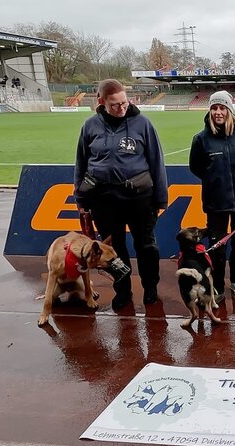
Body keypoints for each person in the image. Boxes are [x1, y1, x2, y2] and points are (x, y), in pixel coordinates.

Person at [74, 79, 168, 309]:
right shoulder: (90, 126)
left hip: (139, 198)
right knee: (113, 250)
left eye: (124, 103)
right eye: (115, 104)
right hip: (103, 199)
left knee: (146, 246)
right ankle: (123, 290)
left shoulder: (143, 124)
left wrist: (160, 198)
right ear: (101, 101)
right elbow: (81, 163)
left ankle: (150, 288)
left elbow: (157, 162)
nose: (121, 108)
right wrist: (81, 199)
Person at [189, 90, 235, 297]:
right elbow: (196, 167)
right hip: (217, 202)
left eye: (222, 108)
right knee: (217, 246)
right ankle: (218, 286)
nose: (218, 112)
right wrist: (215, 180)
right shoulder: (201, 139)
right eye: (214, 108)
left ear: (230, 110)